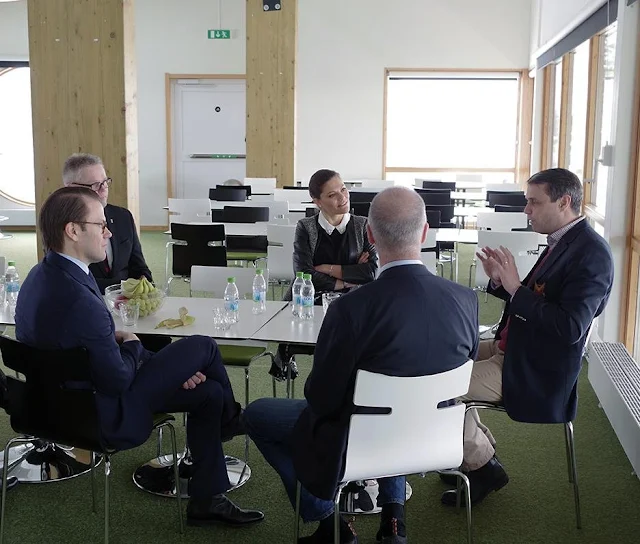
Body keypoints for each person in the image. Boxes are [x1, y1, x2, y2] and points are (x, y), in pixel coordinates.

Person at [15, 187, 264, 528]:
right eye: (100, 225)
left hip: (54, 406)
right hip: (102, 414)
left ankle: (208, 499)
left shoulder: (38, 277)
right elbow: (117, 378)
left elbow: (75, 344)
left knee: (209, 394)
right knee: (202, 346)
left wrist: (124, 344)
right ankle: (232, 420)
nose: (109, 232)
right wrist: (131, 343)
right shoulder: (81, 299)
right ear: (73, 231)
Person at [245, 187, 479, 544]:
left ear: (369, 235)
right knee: (394, 398)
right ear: (425, 232)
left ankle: (328, 519)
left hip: (362, 435)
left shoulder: (350, 310)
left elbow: (321, 399)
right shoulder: (466, 300)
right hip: (434, 434)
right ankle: (394, 519)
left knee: (258, 415)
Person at [440, 168, 614, 507]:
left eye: (534, 203)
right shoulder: (565, 243)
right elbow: (537, 300)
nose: (526, 211)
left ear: (564, 202)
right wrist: (501, 284)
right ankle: (477, 449)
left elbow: (570, 327)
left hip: (537, 368)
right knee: (441, 358)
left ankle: (482, 464)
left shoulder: (591, 254)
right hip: (517, 348)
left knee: (439, 388)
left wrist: (516, 289)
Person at [275, 169, 378, 373]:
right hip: (311, 302)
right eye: (332, 195)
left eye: (343, 189)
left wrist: (327, 269)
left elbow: (371, 272)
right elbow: (304, 275)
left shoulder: (363, 225)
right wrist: (349, 277)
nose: (342, 198)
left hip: (352, 303)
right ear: (317, 201)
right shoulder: (305, 227)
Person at [62, 153, 153, 293]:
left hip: (128, 304)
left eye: (105, 182)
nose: (104, 188)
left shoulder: (123, 216)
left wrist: (144, 287)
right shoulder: (62, 226)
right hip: (85, 301)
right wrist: (121, 289)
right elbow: (67, 278)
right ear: (71, 188)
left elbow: (139, 268)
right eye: (95, 185)